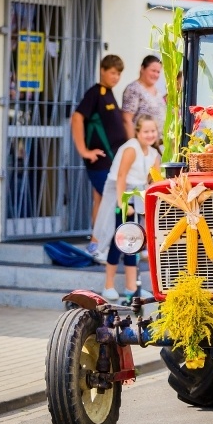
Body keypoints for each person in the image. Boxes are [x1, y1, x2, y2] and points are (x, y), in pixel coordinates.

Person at [96, 115, 161, 302]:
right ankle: (108, 285)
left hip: (138, 196)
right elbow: (122, 176)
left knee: (135, 242)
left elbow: (153, 180)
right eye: (146, 131)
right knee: (120, 240)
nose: (150, 135)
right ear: (138, 132)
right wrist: (123, 204)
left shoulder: (154, 154)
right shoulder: (131, 149)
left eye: (153, 131)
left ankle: (132, 287)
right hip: (123, 196)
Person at [71, 54, 128, 257]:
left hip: (113, 160)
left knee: (100, 200)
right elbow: (77, 119)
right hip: (101, 160)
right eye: (112, 72)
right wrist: (83, 151)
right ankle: (100, 246)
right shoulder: (94, 93)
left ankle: (96, 244)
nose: (116, 77)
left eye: (119, 74)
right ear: (102, 70)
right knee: (110, 201)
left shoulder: (109, 93)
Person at [122, 55, 165, 139]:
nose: (156, 74)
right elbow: (127, 119)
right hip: (142, 143)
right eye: (153, 71)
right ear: (142, 69)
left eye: (158, 72)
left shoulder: (157, 91)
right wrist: (134, 145)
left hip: (157, 143)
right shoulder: (134, 89)